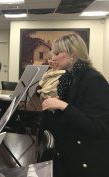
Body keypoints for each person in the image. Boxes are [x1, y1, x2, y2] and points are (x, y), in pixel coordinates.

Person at [41, 34, 109, 177]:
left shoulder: (93, 79)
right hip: (68, 153)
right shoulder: (68, 78)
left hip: (85, 161)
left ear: (72, 54)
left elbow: (99, 127)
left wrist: (63, 106)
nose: (53, 57)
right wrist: (57, 108)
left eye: (58, 53)